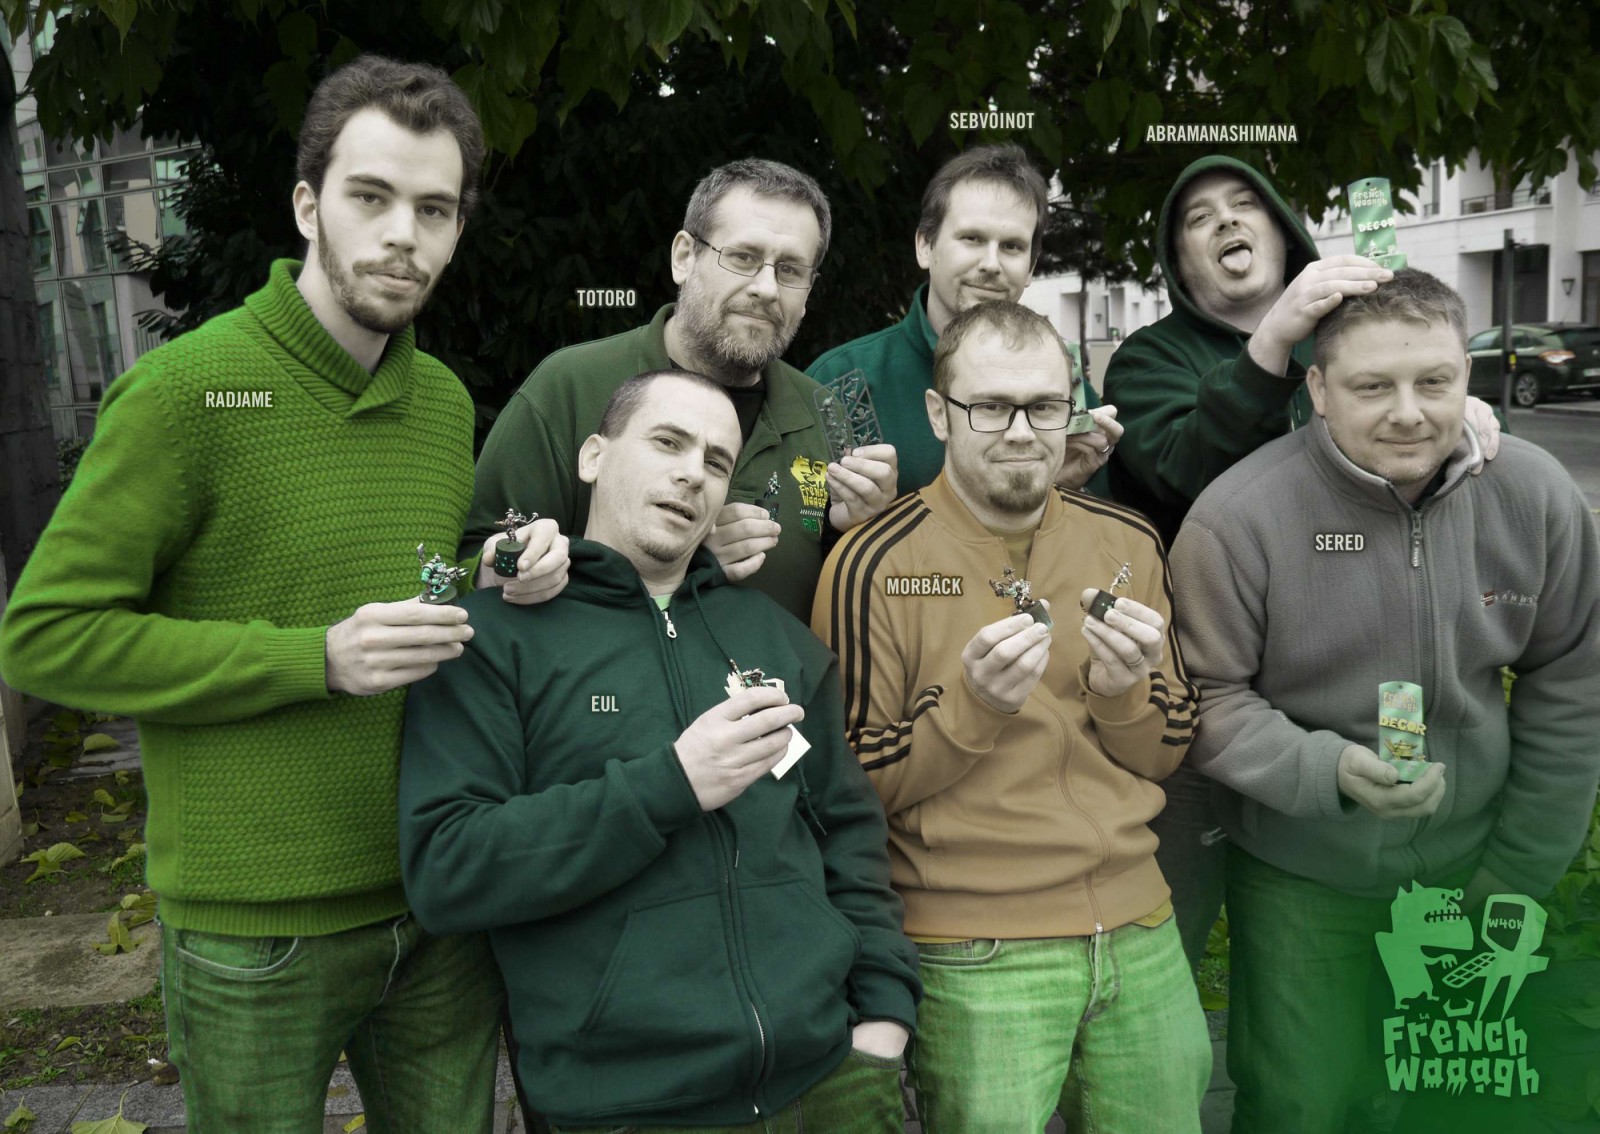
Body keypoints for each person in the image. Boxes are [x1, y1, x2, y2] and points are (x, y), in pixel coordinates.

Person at [0, 55, 565, 1133]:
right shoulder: (184, 395)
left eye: (433, 209)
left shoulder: (444, 402)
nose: (402, 234)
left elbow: (403, 570)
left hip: (437, 899)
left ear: (457, 229)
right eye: (371, 197)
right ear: (308, 205)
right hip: (252, 931)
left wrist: (496, 567)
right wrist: (314, 659)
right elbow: (44, 639)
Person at [400, 370, 921, 1132]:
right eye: (668, 443)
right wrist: (672, 783)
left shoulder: (772, 637)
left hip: (828, 1079)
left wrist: (883, 1017)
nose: (691, 473)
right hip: (628, 1102)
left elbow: (847, 831)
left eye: (716, 461)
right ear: (593, 456)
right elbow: (447, 866)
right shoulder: (493, 641)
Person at [1169, 268, 1600, 1134]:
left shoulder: (1536, 494)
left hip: (1478, 866)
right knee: (1300, 1103)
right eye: (1372, 387)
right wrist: (1322, 769)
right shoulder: (1239, 517)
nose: (1409, 412)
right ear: (1318, 390)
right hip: (1301, 876)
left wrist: (1516, 873)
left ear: (1466, 376)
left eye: (1433, 381)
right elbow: (1203, 697)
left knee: (1455, 1106)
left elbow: (1573, 684)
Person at [814, 301, 1211, 1132]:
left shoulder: (1129, 542)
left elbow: (1168, 748)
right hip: (973, 948)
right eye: (991, 407)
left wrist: (1122, 692)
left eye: (1045, 406)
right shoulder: (871, 562)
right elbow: (847, 789)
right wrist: (975, 711)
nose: (1023, 432)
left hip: (1139, 929)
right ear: (939, 414)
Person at [1103, 156, 1503, 966]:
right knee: (1167, 937)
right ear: (1178, 264)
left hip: (1341, 688)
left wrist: (1445, 407)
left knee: (1327, 940)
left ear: (1285, 235)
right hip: (1205, 693)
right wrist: (1273, 343)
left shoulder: (1356, 338)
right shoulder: (1149, 359)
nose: (1226, 221)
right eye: (1199, 218)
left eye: (1244, 205)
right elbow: (1185, 468)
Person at [461, 158, 899, 621]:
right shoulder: (571, 385)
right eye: (743, 258)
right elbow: (476, 566)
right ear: (684, 257)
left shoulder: (822, 411)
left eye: (790, 270)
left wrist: (856, 532)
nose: (767, 289)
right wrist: (676, 557)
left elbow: (846, 601)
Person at [807, 143, 1119, 497]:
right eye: (972, 239)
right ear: (925, 246)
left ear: (1031, 267)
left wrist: (1061, 491)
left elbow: (1099, 524)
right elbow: (801, 522)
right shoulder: (840, 382)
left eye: (1012, 246)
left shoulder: (1067, 387)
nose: (991, 264)